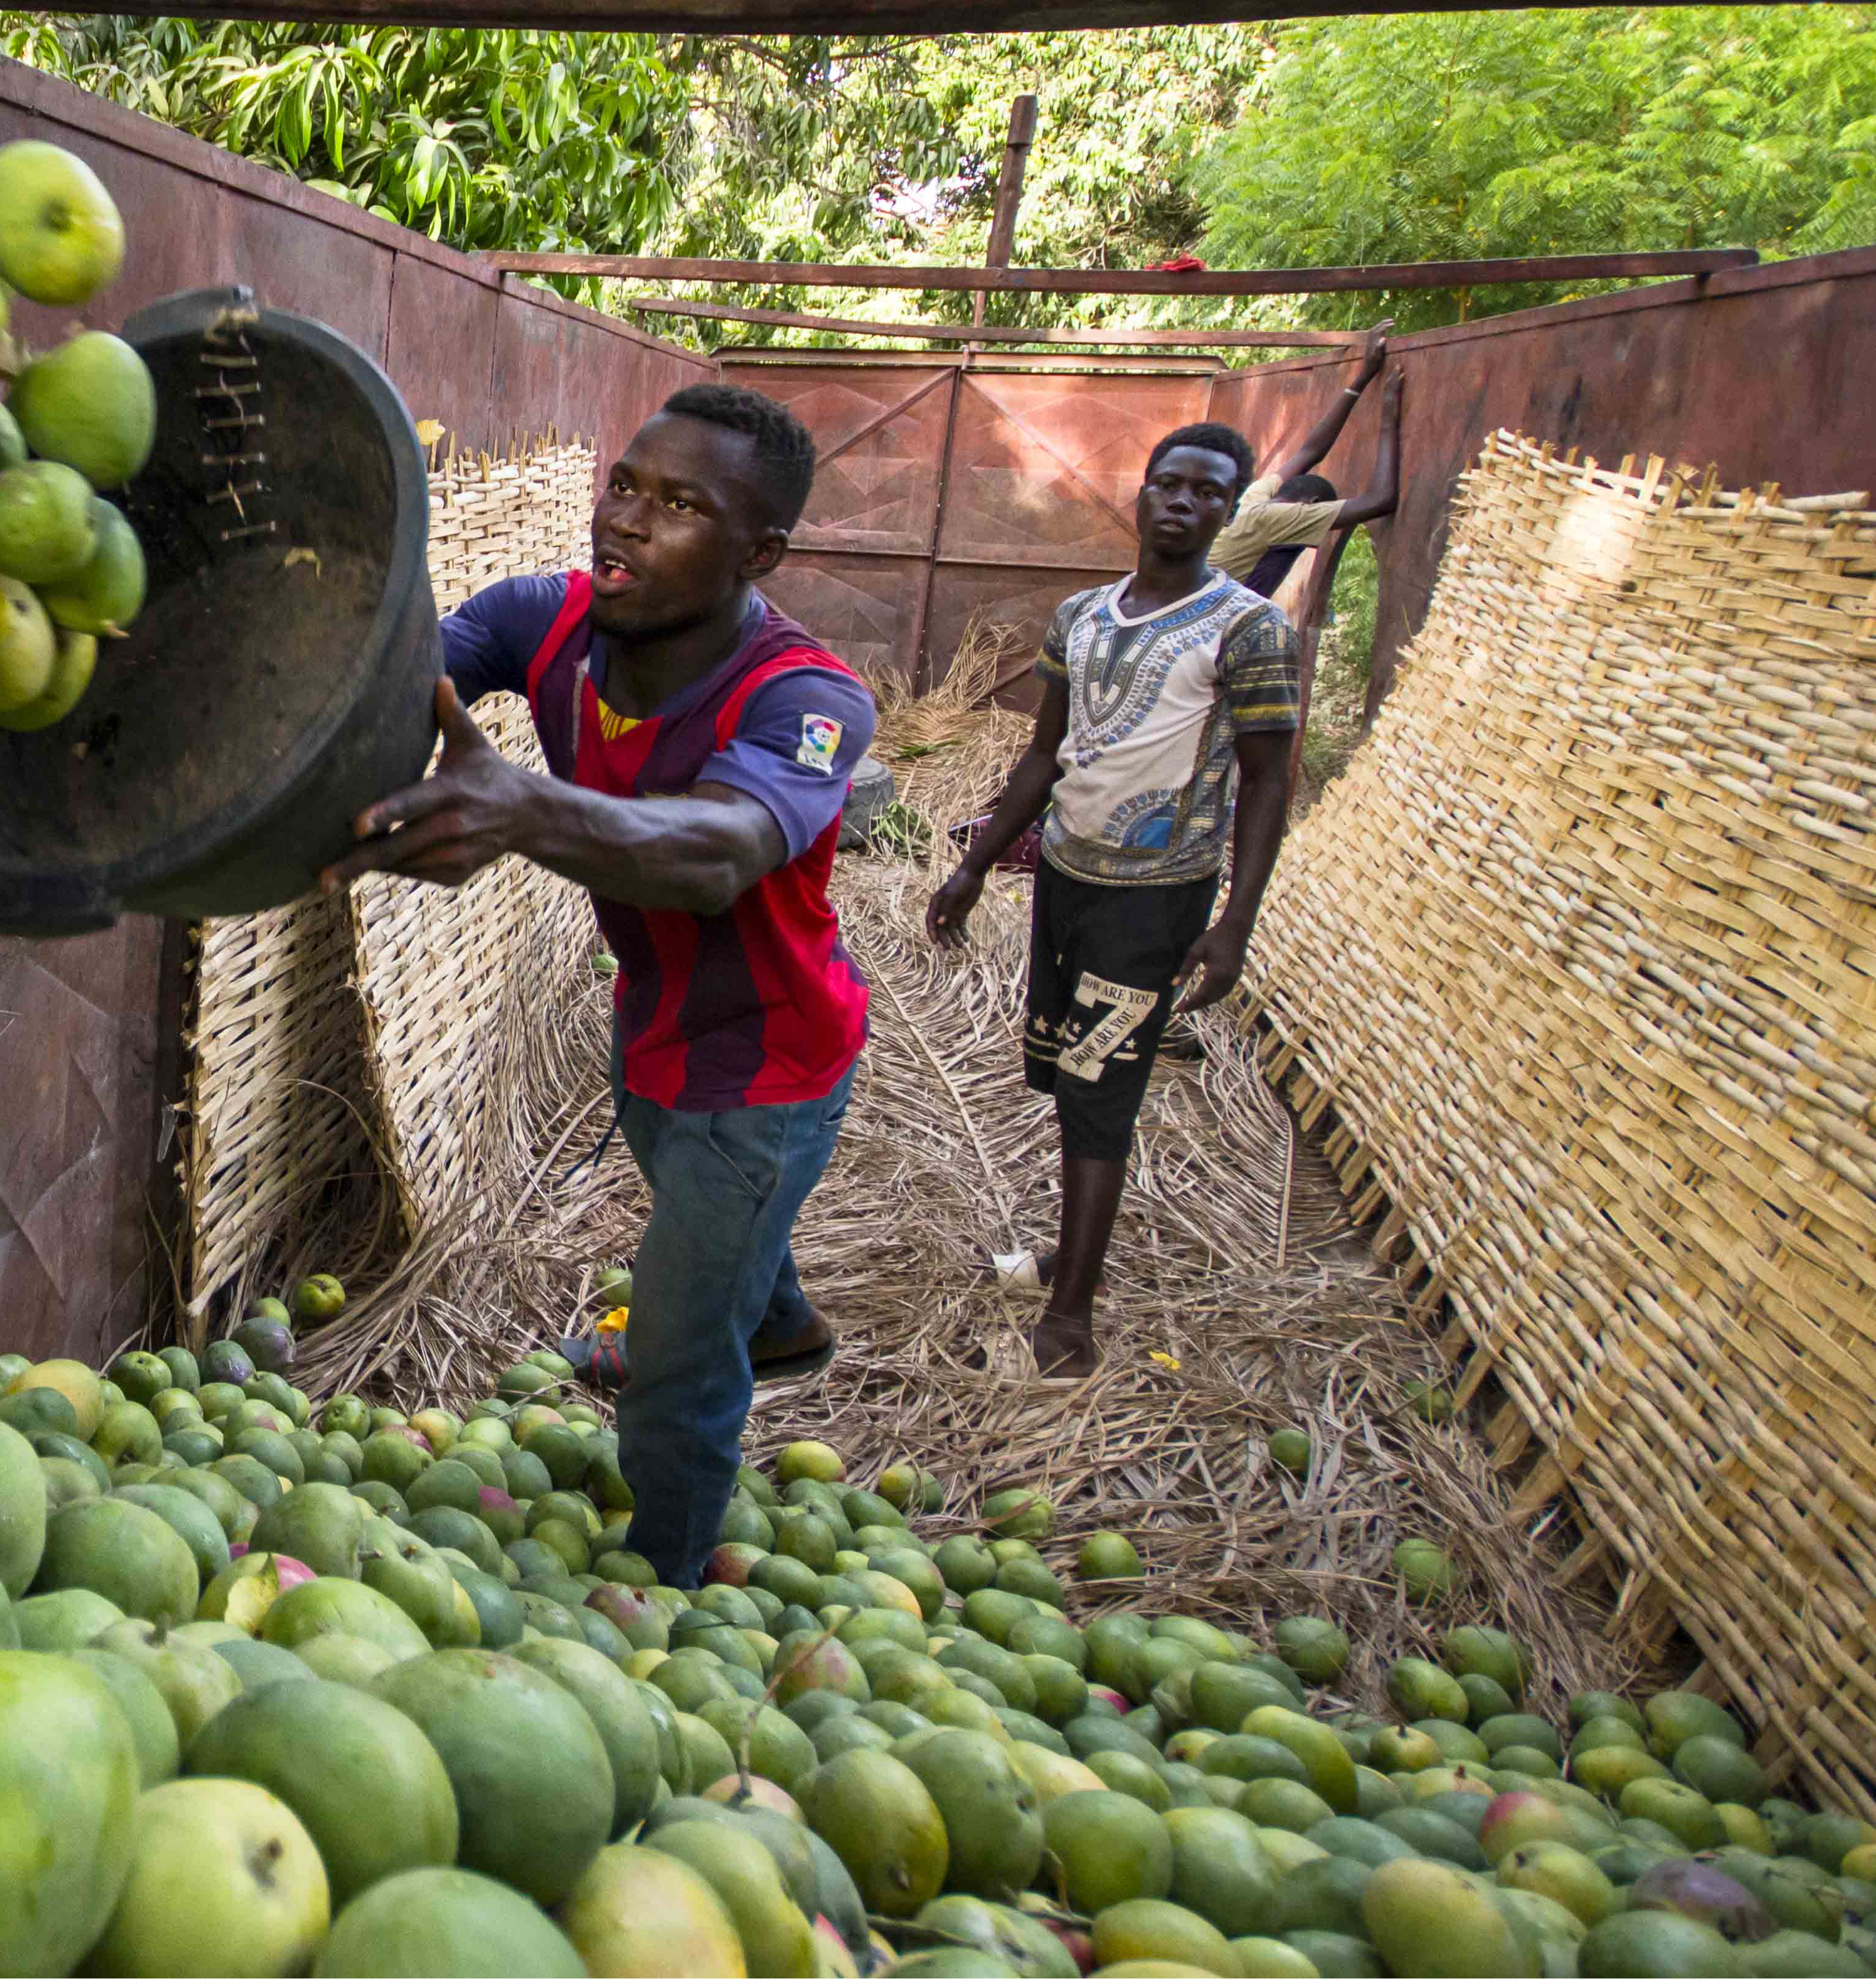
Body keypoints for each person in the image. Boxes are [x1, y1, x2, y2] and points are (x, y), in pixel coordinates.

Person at [323, 383, 874, 1586]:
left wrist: (523, 808)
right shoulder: (547, 623)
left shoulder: (807, 699)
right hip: (654, 1024)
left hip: (769, 1058)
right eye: (626, 484)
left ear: (758, 553)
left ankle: (667, 1584)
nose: (626, 517)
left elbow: (721, 852)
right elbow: (403, 679)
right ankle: (776, 1314)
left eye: (680, 505)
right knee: (702, 1209)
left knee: (679, 1351)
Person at [922, 420, 1301, 1381]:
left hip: (1154, 901)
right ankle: (1071, 1257)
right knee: (1066, 1076)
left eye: (1208, 492)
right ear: (1142, 494)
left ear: (1229, 511)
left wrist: (1234, 922)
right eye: (1170, 483)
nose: (1183, 502)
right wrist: (976, 863)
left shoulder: (1247, 629)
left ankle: (1070, 1316)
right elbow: (1045, 751)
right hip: (1066, 883)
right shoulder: (1081, 617)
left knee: (1101, 1095)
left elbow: (1268, 780)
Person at [1216, 327, 1400, 607]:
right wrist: (1389, 418)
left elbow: (1310, 452)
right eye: (1316, 515)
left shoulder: (1255, 496)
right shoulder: (1279, 518)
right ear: (1311, 504)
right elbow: (1381, 500)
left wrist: (1362, 378)